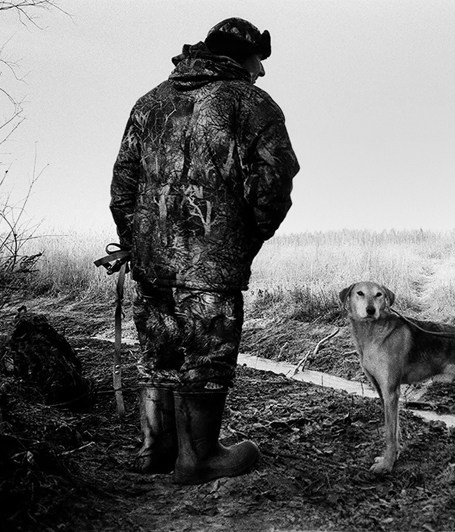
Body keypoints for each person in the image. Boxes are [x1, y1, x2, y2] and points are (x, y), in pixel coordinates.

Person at [110, 17, 299, 485]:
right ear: (243, 56)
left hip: (151, 264)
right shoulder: (252, 103)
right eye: (260, 59)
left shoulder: (150, 100)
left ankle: (155, 451)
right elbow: (274, 184)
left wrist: (139, 243)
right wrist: (244, 241)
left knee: (158, 352)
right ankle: (198, 459)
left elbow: (122, 186)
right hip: (211, 270)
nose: (262, 71)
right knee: (206, 360)